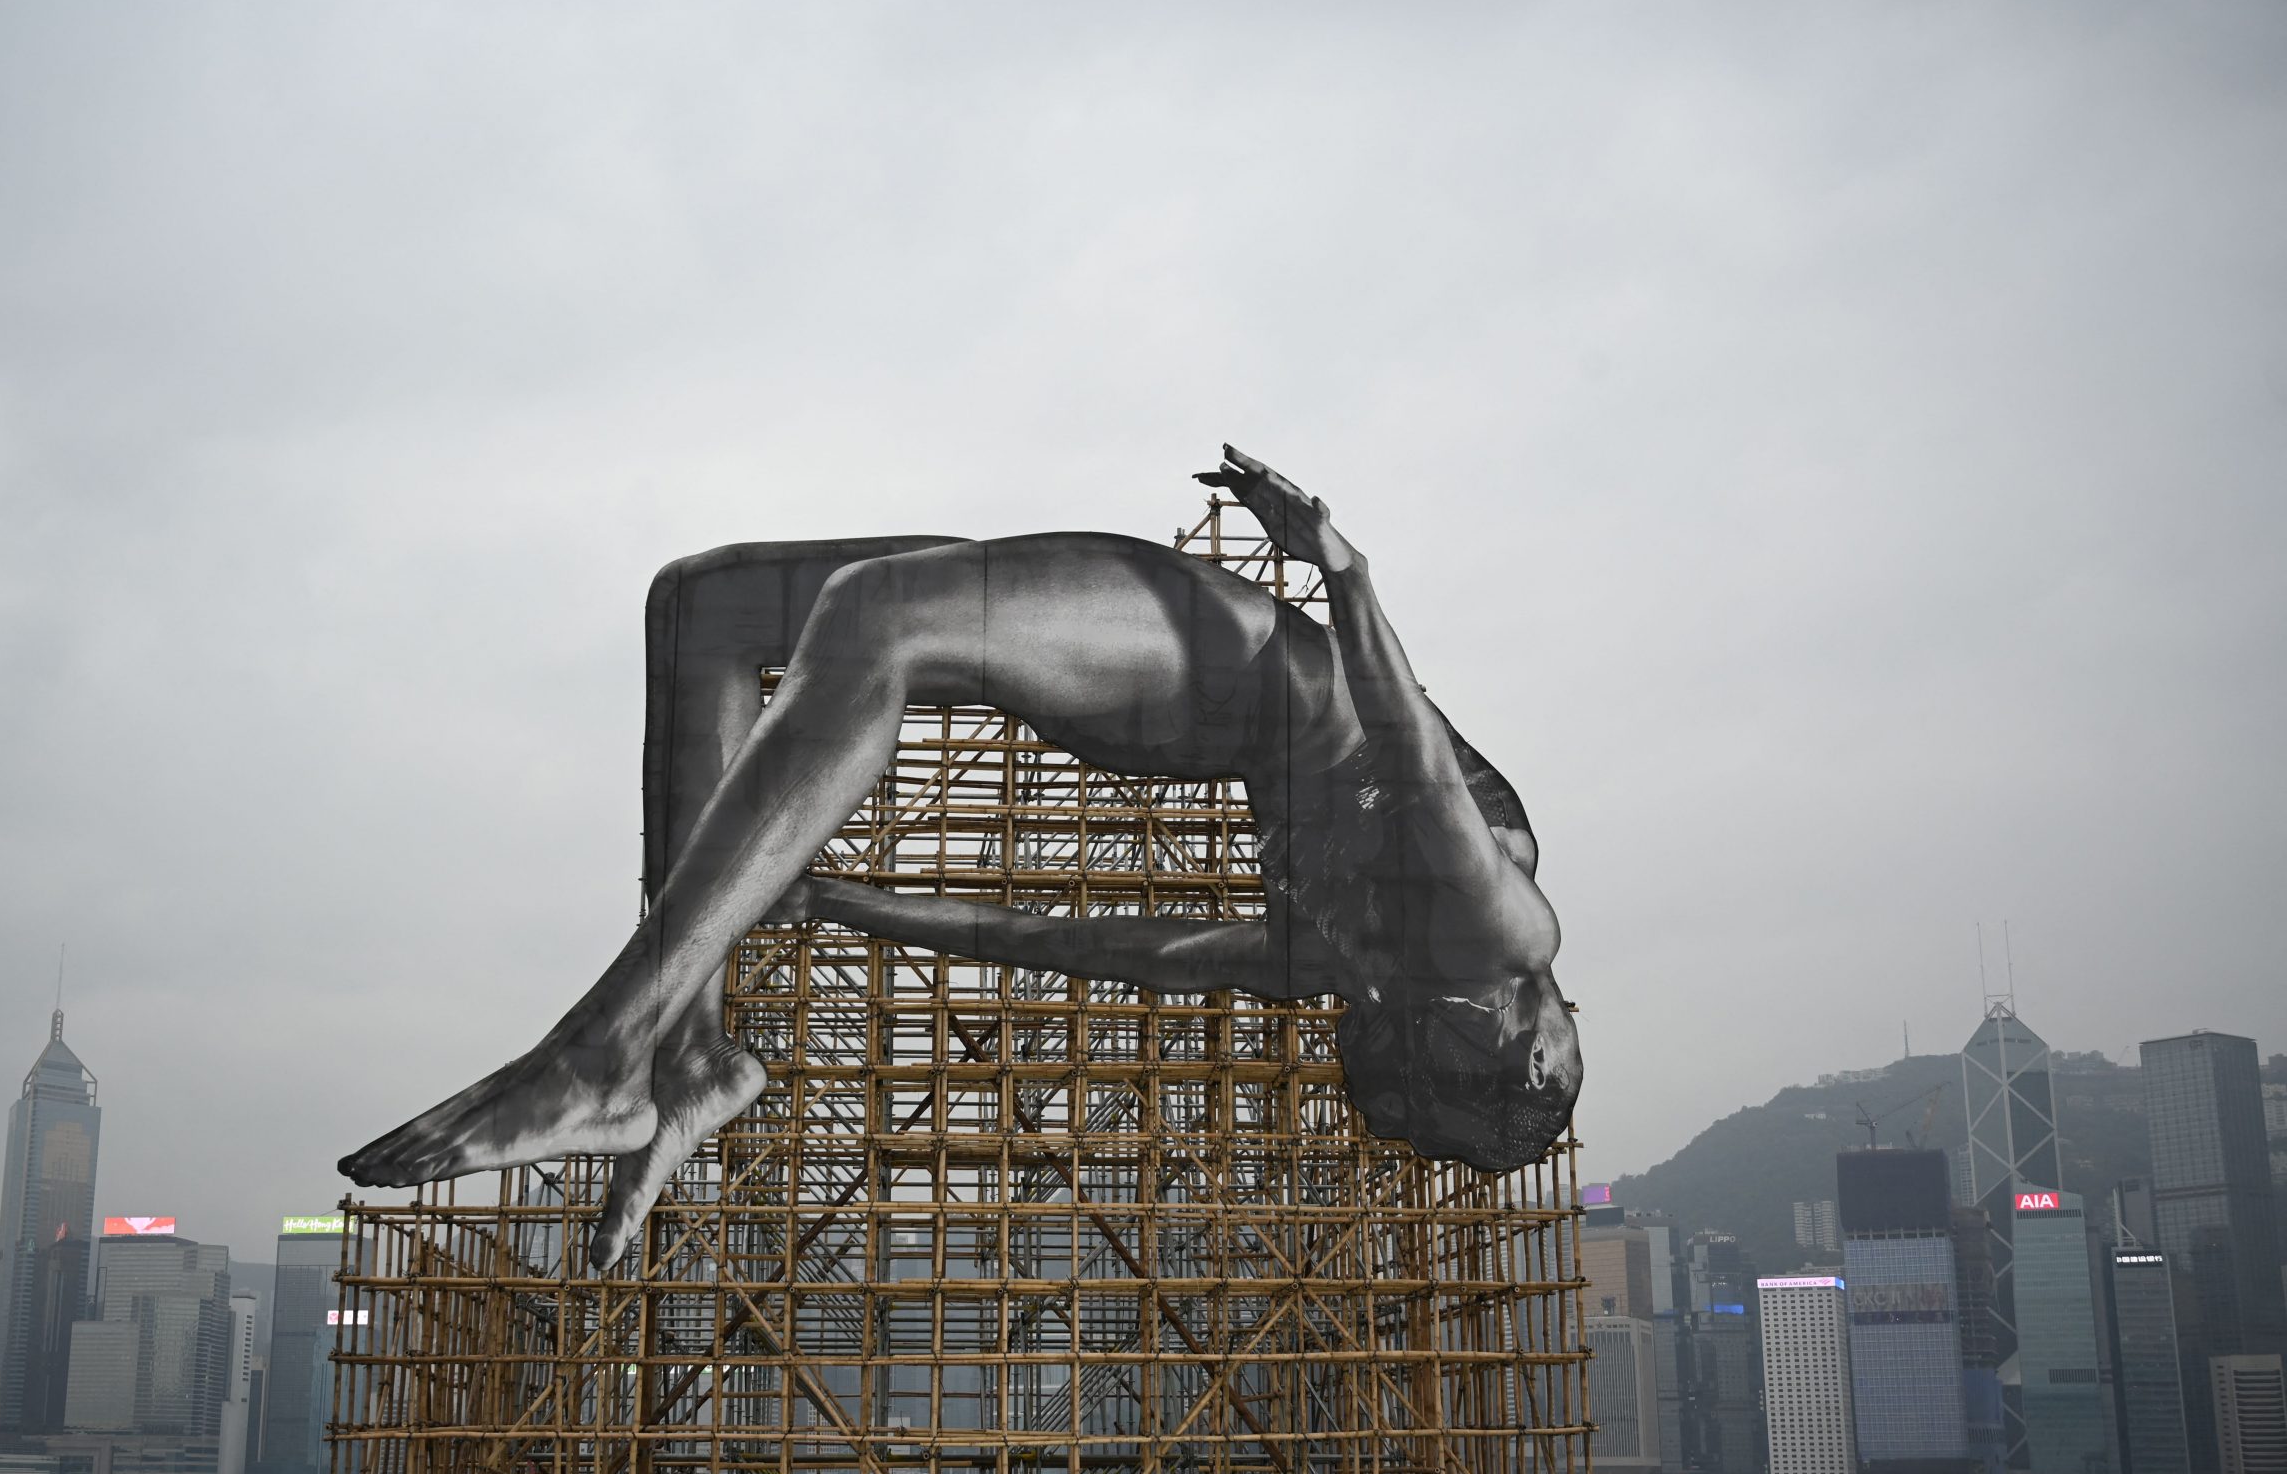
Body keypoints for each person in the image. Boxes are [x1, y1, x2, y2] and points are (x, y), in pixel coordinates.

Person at [341, 447, 1581, 1266]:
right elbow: (1398, 764)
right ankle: (684, 1048)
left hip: (1223, 675)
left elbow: (1108, 942)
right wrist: (1340, 569)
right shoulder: (1453, 947)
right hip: (1237, 674)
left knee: (880, 617)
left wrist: (859, 901)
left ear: (1521, 1052)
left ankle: (606, 1053)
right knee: (707, 610)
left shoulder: (1420, 958)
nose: (1572, 1020)